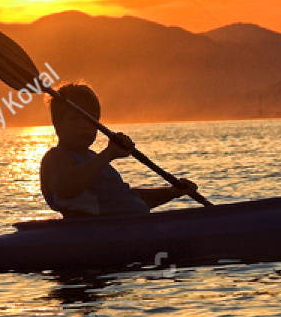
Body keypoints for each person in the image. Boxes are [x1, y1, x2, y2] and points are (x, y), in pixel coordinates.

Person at [39, 83, 195, 217]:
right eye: (75, 119)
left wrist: (170, 193)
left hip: (130, 228)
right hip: (98, 233)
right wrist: (109, 154)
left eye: (91, 119)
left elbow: (123, 197)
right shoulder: (56, 157)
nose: (85, 126)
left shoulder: (94, 159)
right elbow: (65, 188)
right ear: (57, 123)